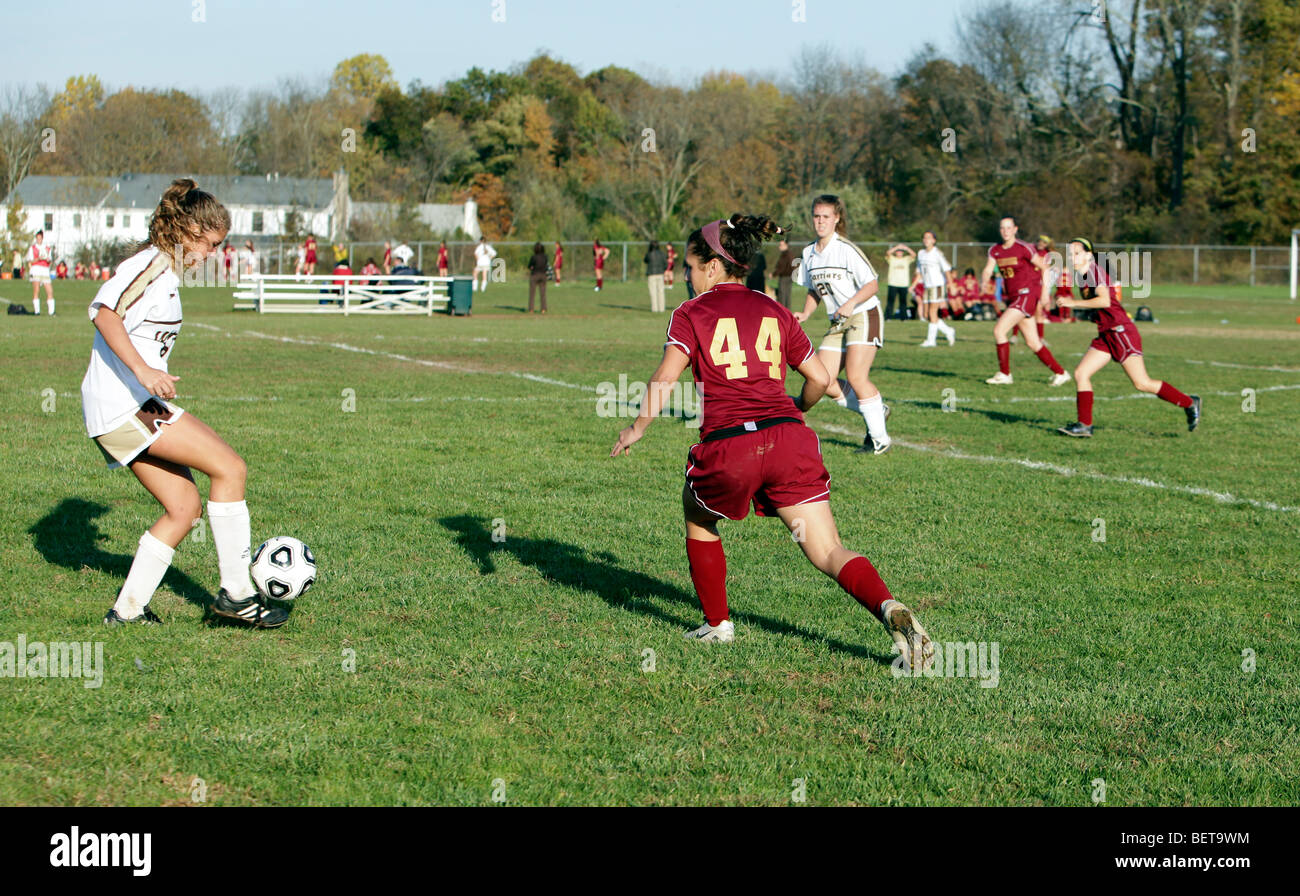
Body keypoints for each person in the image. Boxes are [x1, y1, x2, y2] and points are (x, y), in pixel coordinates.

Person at [609, 213, 933, 668]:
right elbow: (820, 379)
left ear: (714, 267)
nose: (685, 274)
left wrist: (636, 427)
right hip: (788, 440)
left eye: (690, 265)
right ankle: (888, 607)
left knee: (698, 516)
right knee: (827, 550)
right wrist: (795, 410)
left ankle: (718, 624)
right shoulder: (775, 309)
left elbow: (665, 378)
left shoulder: (691, 312)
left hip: (729, 446)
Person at [81, 178, 287, 629]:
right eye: (210, 245)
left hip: (123, 408)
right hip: (124, 405)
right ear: (187, 232)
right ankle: (237, 594)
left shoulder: (165, 271)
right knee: (230, 468)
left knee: (184, 507)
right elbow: (103, 312)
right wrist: (144, 372)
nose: (211, 255)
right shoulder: (151, 264)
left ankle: (127, 610)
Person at [1056, 238, 1200, 438]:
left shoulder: (1094, 272)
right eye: (1069, 254)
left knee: (1142, 383)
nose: (1072, 258)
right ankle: (1084, 425)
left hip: (1121, 332)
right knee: (1081, 373)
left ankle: (1189, 402)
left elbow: (1105, 300)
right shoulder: (1083, 276)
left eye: (1077, 253)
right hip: (1107, 333)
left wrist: (1074, 304)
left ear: (1089, 255)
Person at [793, 194, 892, 455]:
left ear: (837, 219)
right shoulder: (808, 253)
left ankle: (880, 439)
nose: (820, 221)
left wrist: (850, 303)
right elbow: (815, 290)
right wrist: (805, 313)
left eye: (826, 216)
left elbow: (872, 284)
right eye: (816, 216)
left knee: (857, 377)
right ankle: (876, 411)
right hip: (837, 321)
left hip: (863, 314)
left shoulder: (845, 249)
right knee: (822, 380)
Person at [980, 216, 1070, 387]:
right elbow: (988, 269)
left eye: (1009, 228)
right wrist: (984, 280)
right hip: (1014, 298)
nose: (1005, 231)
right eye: (1002, 228)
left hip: (1026, 295)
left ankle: (1005, 374)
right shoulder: (995, 250)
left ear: (1015, 229)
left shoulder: (1024, 248)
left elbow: (1045, 267)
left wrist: (1045, 293)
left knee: (999, 331)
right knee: (1033, 342)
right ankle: (1061, 373)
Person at [915, 231, 956, 347]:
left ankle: (931, 341)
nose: (926, 240)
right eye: (924, 237)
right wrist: (914, 284)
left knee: (933, 312)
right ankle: (949, 331)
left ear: (934, 240)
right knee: (927, 315)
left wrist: (951, 285)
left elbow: (947, 269)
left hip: (937, 285)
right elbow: (919, 271)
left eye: (929, 238)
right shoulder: (921, 253)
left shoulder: (937, 253)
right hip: (927, 286)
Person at [883, 243, 915, 321]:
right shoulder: (892, 258)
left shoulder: (906, 259)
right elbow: (887, 253)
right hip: (893, 283)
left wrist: (906, 248)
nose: (899, 253)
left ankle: (903, 317)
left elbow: (914, 255)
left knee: (903, 302)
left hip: (903, 284)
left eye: (901, 251)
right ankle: (888, 317)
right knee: (890, 301)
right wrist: (897, 247)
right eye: (898, 251)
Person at [28, 230, 55, 315]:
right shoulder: (32, 248)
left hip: (45, 270)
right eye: (37, 238)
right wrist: (38, 259)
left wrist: (47, 259)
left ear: (42, 238)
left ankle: (51, 312)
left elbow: (50, 261)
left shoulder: (47, 248)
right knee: (36, 290)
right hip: (36, 269)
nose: (39, 240)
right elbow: (31, 261)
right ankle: (37, 311)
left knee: (49, 290)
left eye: (40, 238)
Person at [771, 239, 796, 310]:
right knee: (787, 296)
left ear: (786, 245)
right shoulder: (790, 254)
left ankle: (782, 312)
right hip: (789, 277)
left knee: (782, 295)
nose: (779, 247)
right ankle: (787, 312)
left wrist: (774, 274)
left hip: (784, 277)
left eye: (781, 245)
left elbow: (781, 267)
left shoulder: (785, 255)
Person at [644, 240, 667, 312]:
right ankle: (661, 308)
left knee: (653, 292)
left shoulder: (649, 254)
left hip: (651, 274)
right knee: (661, 291)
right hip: (660, 274)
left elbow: (645, 260)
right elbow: (665, 264)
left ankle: (654, 308)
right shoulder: (662, 254)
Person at [526, 242, 549, 313]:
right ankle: (543, 309)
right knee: (543, 293)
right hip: (543, 275)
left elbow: (529, 266)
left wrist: (532, 267)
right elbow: (546, 265)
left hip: (535, 275)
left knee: (532, 293)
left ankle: (531, 309)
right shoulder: (545, 257)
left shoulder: (534, 257)